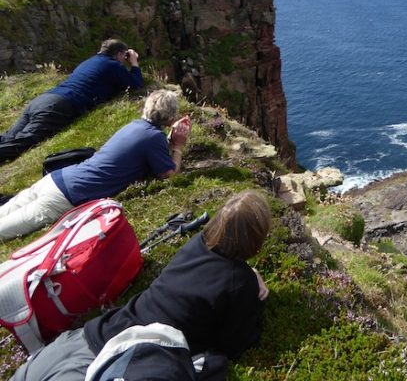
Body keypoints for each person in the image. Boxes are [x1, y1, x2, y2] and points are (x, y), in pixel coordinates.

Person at [10, 190, 272, 381]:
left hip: (90, 335)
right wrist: (257, 298)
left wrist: (247, 276)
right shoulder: (239, 283)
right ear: (255, 241)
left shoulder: (198, 244)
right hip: (120, 361)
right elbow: (236, 344)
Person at [0, 89, 190, 241]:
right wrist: (178, 146)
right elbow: (169, 174)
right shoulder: (153, 137)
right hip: (65, 196)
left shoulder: (135, 126)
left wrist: (168, 141)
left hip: (56, 179)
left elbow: (145, 149)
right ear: (171, 117)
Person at [0, 38, 143, 164]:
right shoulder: (113, 66)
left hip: (42, 99)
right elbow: (136, 84)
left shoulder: (88, 62)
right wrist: (134, 64)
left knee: (9, 136)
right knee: (25, 141)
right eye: (124, 56)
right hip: (60, 105)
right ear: (119, 54)